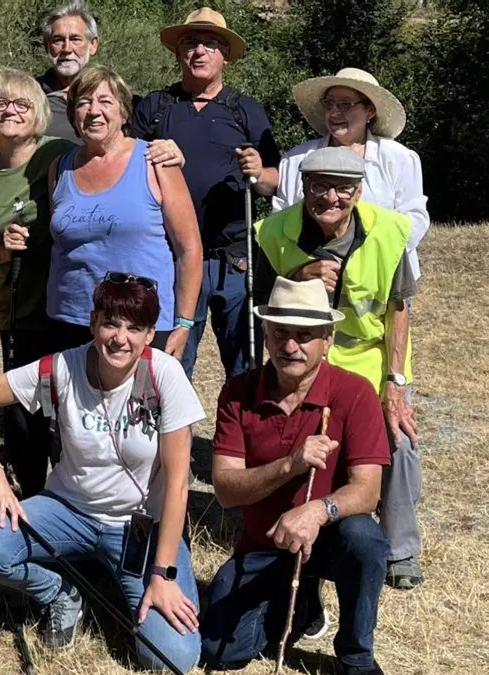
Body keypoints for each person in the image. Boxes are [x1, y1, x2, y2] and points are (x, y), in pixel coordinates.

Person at [0, 274, 204, 672]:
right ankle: (59, 590)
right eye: (110, 324)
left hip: (139, 526)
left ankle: (122, 578)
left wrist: (162, 575)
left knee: (171, 660)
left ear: (149, 335)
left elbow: (177, 485)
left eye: (134, 328)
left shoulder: (165, 376)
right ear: (93, 323)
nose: (120, 338)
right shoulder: (61, 368)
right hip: (68, 510)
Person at [200, 276, 390, 675]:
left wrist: (317, 512)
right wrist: (290, 464)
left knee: (365, 538)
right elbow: (227, 490)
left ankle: (356, 655)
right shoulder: (237, 393)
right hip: (264, 544)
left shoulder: (355, 393)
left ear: (327, 340)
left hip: (331, 537)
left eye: (304, 336)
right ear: (266, 335)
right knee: (221, 651)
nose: (290, 346)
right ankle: (301, 602)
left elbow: (368, 490)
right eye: (281, 333)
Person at [254, 147, 421, 590]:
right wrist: (298, 276)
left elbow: (398, 309)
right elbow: (262, 300)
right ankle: (280, 528)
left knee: (400, 440)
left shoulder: (390, 231)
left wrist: (395, 382)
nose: (331, 198)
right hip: (304, 356)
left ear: (359, 191)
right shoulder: (274, 232)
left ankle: (400, 548)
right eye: (320, 187)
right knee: (288, 435)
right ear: (304, 188)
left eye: (343, 188)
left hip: (369, 355)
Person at [132, 7, 281, 379]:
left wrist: (258, 172)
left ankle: (240, 421)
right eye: (190, 42)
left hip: (235, 260)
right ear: (178, 52)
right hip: (172, 257)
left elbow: (274, 181)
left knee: (245, 367)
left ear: (225, 55)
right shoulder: (155, 107)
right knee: (170, 363)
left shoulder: (245, 110)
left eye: (210, 44)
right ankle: (169, 420)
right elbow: (128, 168)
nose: (199, 50)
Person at [0, 67, 77, 497]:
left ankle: (74, 494)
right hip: (17, 303)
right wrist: (5, 250)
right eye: (0, 103)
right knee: (24, 403)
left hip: (70, 298)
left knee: (72, 400)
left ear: (38, 113)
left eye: (21, 104)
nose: (10, 111)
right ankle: (29, 496)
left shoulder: (61, 154)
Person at [46, 65, 202, 358]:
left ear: (124, 113)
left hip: (140, 323)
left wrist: (183, 323)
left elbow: (189, 248)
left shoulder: (155, 160)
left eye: (105, 101)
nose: (94, 111)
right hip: (70, 319)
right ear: (73, 115)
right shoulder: (60, 168)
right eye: (83, 103)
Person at [0, 1, 184, 169]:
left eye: (75, 39)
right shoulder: (27, 96)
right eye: (58, 40)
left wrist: (171, 151)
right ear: (48, 46)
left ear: (93, 45)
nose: (67, 49)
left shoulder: (118, 98)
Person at [274, 67, 429, 288]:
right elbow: (281, 221)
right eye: (329, 104)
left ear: (370, 110)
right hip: (312, 283)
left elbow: (413, 221)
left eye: (345, 104)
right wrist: (303, 269)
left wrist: (366, 263)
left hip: (383, 279)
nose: (334, 112)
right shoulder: (295, 160)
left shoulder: (399, 159)